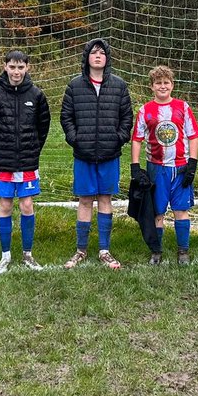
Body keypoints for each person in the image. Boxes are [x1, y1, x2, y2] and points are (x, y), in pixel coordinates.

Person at [61, 38, 133, 270]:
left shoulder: (119, 85)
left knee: (105, 199)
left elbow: (127, 117)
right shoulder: (75, 86)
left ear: (107, 57)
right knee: (84, 200)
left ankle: (104, 250)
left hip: (110, 154)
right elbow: (66, 117)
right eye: (94, 53)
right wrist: (76, 139)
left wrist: (118, 138)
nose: (98, 56)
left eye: (102, 52)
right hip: (84, 154)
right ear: (87, 58)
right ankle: (81, 249)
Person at [0, 49, 51, 273]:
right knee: (5, 205)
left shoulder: (36, 94)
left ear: (27, 68)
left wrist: (32, 151)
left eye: (21, 67)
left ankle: (28, 254)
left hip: (27, 162)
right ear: (5, 67)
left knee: (27, 205)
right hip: (3, 162)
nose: (16, 71)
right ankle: (5, 255)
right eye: (12, 67)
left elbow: (43, 128)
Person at [131, 65, 198, 265]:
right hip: (156, 167)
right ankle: (156, 251)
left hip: (180, 167)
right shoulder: (145, 110)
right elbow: (137, 139)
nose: (162, 86)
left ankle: (183, 251)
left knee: (181, 209)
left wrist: (192, 164)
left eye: (166, 83)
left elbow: (193, 136)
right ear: (152, 86)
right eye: (158, 83)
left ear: (172, 85)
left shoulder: (183, 107)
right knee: (158, 211)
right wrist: (135, 166)